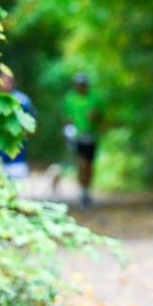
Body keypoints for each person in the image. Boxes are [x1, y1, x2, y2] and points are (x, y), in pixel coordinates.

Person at [62, 73, 103, 207]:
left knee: (89, 164)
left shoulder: (94, 98)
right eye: (79, 85)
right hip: (77, 135)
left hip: (91, 135)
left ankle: (87, 190)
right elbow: (66, 117)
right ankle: (82, 191)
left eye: (83, 84)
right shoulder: (70, 98)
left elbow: (100, 117)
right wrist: (68, 130)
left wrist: (95, 117)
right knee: (82, 163)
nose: (81, 87)